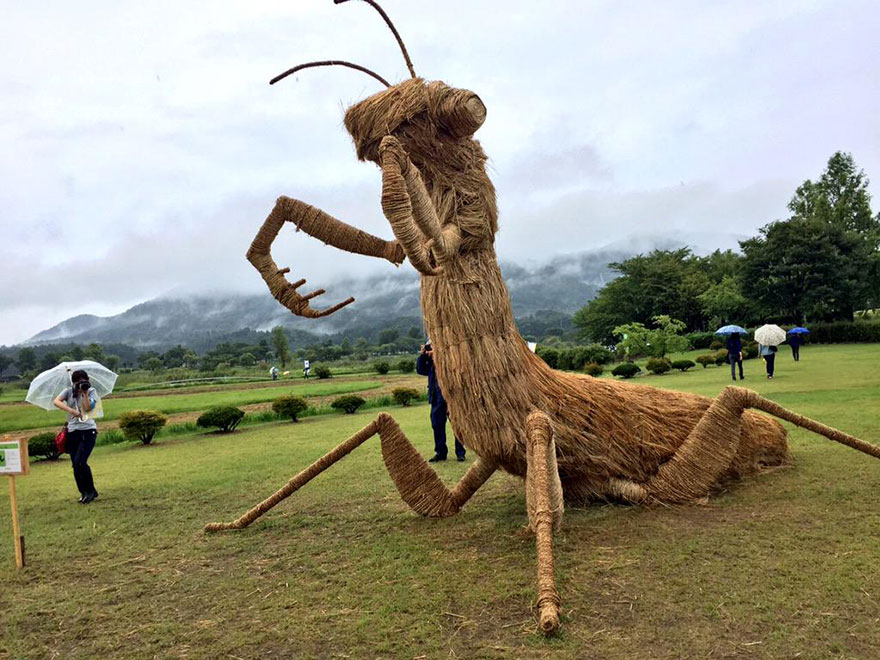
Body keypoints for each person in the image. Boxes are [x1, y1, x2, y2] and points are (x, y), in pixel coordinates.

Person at [53, 369, 100, 503]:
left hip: (88, 431)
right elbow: (56, 401)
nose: (81, 383)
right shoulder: (68, 391)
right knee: (75, 464)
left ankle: (90, 491)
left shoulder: (91, 391)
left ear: (87, 380)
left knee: (81, 461)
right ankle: (84, 492)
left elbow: (88, 409)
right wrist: (72, 410)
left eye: (84, 381)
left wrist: (84, 393)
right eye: (78, 381)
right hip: (73, 431)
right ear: (73, 382)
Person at [416, 341, 466, 462]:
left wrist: (438, 354)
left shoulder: (452, 353)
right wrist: (423, 356)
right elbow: (420, 370)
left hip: (453, 395)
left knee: (457, 424)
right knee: (437, 424)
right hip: (436, 395)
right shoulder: (431, 361)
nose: (430, 350)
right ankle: (440, 452)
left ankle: (460, 452)